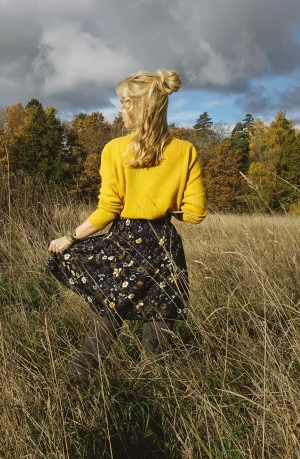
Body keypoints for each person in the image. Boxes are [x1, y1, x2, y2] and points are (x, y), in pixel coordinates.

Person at [46, 68, 206, 381]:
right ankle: (160, 402)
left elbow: (108, 209)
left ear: (141, 107)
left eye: (125, 103)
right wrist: (163, 206)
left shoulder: (115, 150)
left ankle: (69, 394)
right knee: (158, 340)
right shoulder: (185, 151)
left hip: (124, 247)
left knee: (102, 329)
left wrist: (69, 238)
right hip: (164, 249)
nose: (120, 110)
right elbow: (195, 213)